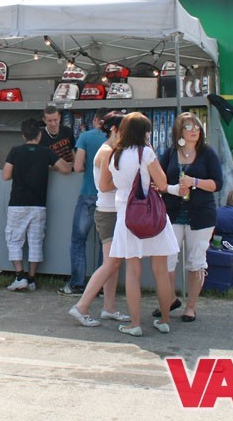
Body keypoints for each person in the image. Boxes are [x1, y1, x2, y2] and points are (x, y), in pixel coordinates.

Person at [105, 112, 177, 336]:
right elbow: (162, 183)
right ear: (144, 132)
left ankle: (134, 324)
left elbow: (110, 183)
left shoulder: (115, 154)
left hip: (127, 215)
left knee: (132, 271)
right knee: (160, 270)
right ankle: (164, 320)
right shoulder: (145, 152)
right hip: (151, 214)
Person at [157, 111, 223, 322]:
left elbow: (217, 184)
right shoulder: (170, 153)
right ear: (179, 131)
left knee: (196, 260)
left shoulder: (207, 153)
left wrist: (194, 182)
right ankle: (169, 299)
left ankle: (191, 306)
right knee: (167, 258)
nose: (194, 130)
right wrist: (172, 188)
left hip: (201, 215)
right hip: (173, 213)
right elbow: (159, 181)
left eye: (197, 126)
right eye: (188, 127)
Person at [67, 112, 132, 327]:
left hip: (112, 211)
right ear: (114, 130)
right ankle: (82, 306)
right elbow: (105, 185)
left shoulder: (110, 150)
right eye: (124, 130)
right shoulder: (107, 152)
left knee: (113, 263)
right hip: (108, 212)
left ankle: (109, 308)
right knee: (111, 262)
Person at [2, 118, 72, 292]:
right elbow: (65, 169)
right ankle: (32, 279)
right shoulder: (46, 152)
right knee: (35, 241)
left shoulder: (15, 151)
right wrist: (51, 167)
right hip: (39, 204)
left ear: (23, 135)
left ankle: (20, 276)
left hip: (17, 203)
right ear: (40, 135)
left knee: (14, 240)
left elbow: (6, 175)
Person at [58, 108, 109, 297]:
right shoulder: (118, 140)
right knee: (106, 243)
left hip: (88, 193)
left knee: (78, 240)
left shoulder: (86, 137)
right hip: (109, 197)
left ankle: (77, 284)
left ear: (95, 119)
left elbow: (78, 167)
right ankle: (102, 286)